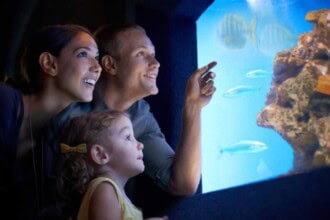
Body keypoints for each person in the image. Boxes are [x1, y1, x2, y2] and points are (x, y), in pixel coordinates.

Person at [91, 23, 217, 196]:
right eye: (141, 54)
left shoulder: (141, 118)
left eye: (154, 54)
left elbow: (184, 185)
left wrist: (194, 106)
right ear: (110, 65)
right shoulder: (73, 99)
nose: (156, 63)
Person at [0, 24, 102, 220]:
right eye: (83, 54)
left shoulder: (50, 142)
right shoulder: (3, 100)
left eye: (96, 58)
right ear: (49, 63)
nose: (97, 67)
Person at [57, 110, 168, 220]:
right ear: (100, 155)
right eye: (128, 137)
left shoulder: (111, 192)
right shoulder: (104, 190)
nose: (140, 145)